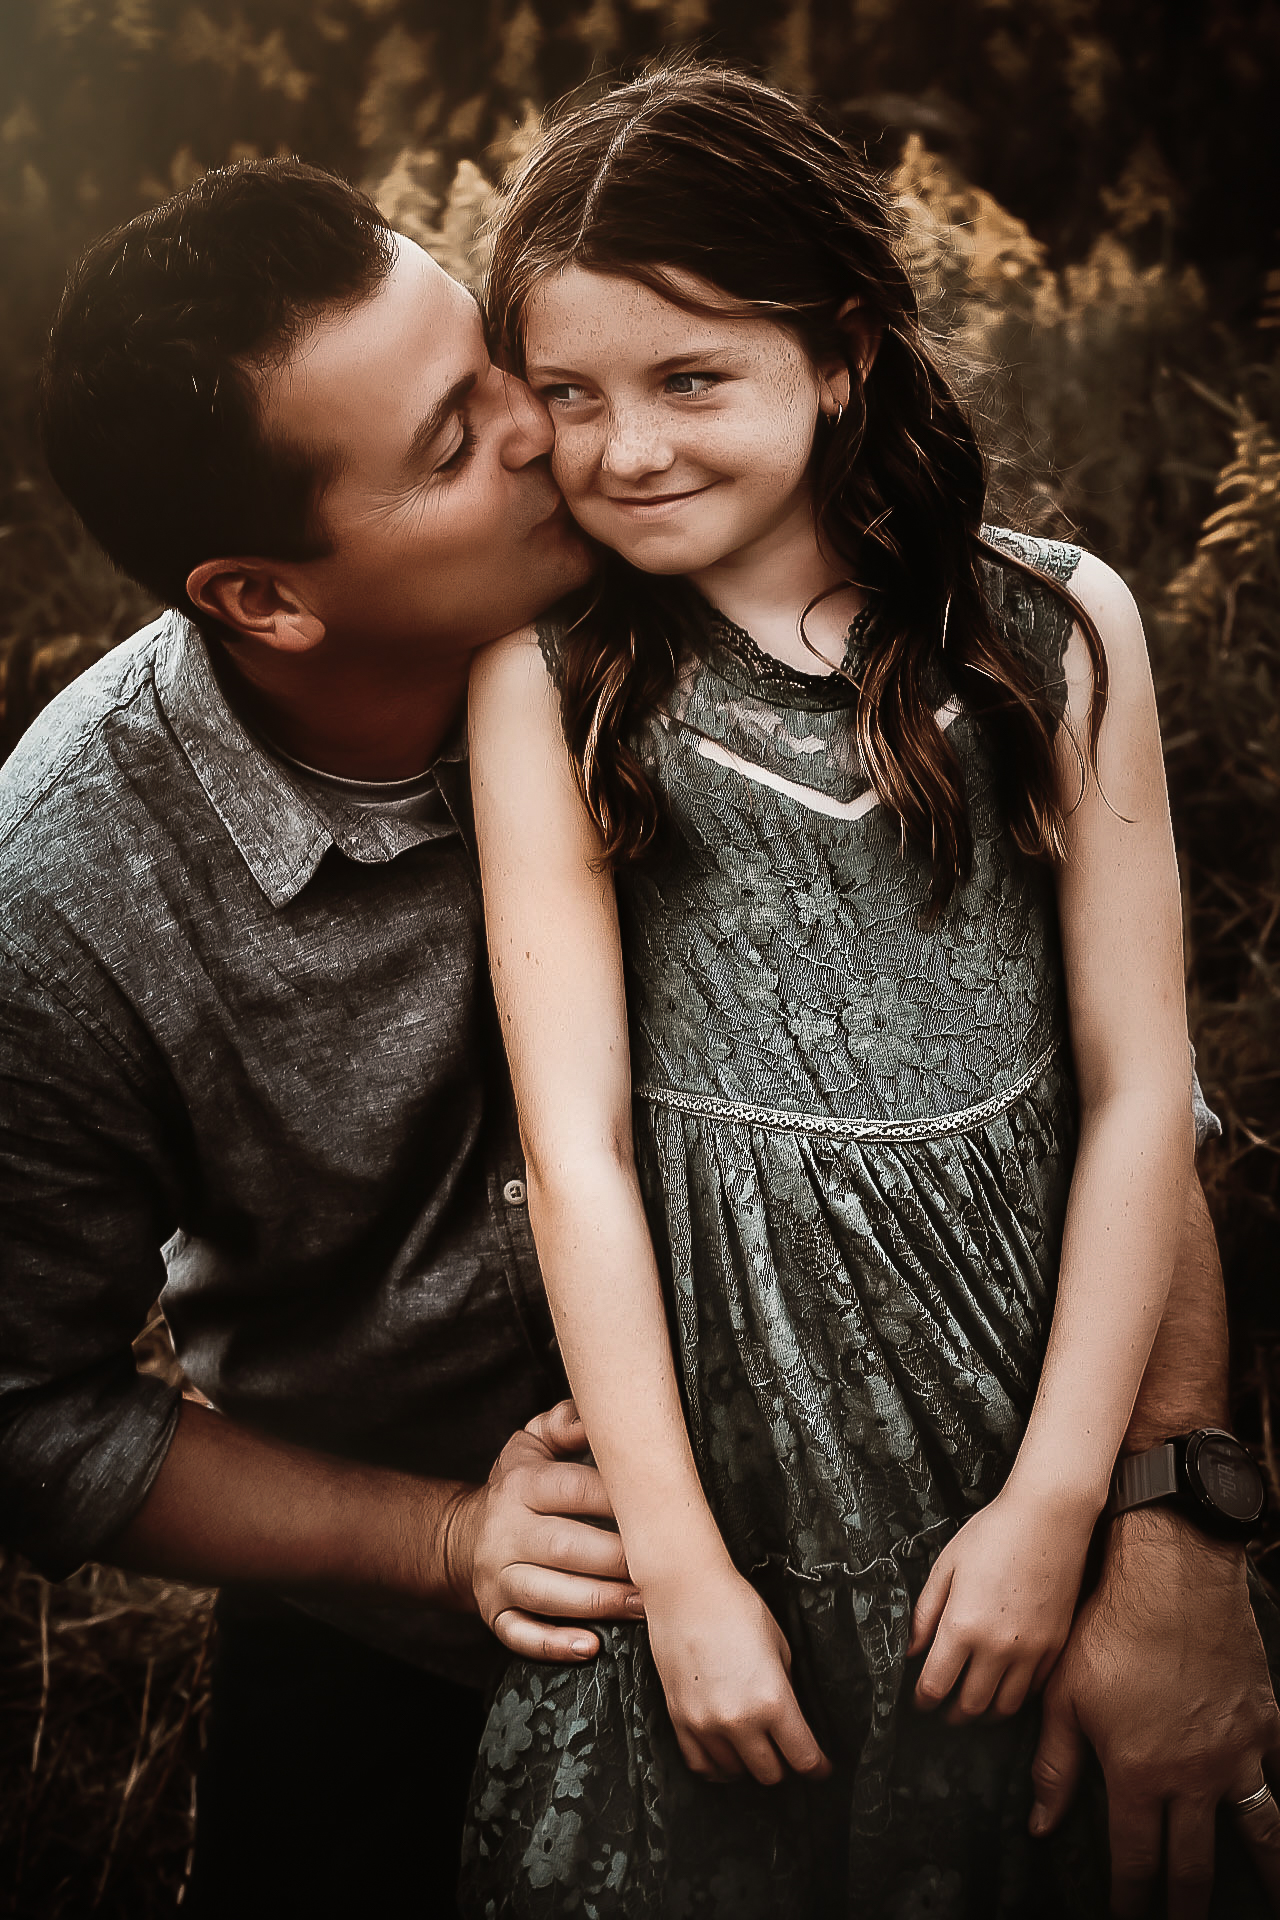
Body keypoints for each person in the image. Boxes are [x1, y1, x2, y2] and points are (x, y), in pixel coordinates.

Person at [0, 155, 1275, 1920]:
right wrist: (443, 1542)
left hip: (953, 1510)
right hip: (429, 1608)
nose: (556, 437)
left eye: (495, 360)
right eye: (459, 441)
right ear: (266, 599)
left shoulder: (775, 605)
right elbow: (23, 1411)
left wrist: (1171, 1520)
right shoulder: (65, 896)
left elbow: (1103, 1085)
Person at [460, 65, 1280, 1916]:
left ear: (839, 354)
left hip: (1016, 1393)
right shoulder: (559, 678)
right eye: (569, 398)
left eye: (690, 380)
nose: (627, 450)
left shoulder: (1052, 629)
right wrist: (674, 1568)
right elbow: (572, 1141)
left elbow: (1145, 1081)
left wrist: (1066, 1502)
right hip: (728, 1434)